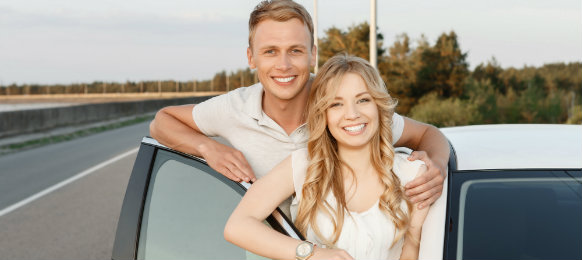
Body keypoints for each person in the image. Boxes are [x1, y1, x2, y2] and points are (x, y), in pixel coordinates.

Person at [149, 0, 449, 216]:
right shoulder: (235, 108)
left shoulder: (343, 105)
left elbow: (429, 134)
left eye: (295, 50)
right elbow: (161, 122)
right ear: (251, 58)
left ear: (313, 55)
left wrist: (436, 164)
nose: (284, 65)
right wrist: (207, 148)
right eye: (270, 52)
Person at [225, 54, 430, 260]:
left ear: (378, 106)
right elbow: (237, 226)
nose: (352, 114)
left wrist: (413, 238)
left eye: (363, 100)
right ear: (323, 114)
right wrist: (311, 254)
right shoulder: (305, 165)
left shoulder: (411, 174)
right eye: (336, 104)